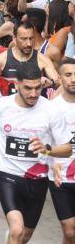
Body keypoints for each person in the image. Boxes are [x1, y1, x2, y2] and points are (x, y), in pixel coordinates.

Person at [0, 63, 72, 244]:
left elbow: (67, 148)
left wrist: (47, 149)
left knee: (24, 236)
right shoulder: (1, 105)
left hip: (38, 181)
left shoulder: (51, 110)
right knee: (17, 229)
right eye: (27, 88)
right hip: (8, 177)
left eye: (37, 88)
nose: (33, 94)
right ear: (17, 84)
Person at [0, 22, 59, 96]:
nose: (29, 44)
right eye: (23, 39)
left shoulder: (42, 59)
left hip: (33, 105)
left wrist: (51, 82)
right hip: (10, 106)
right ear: (14, 38)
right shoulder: (1, 59)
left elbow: (59, 82)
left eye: (31, 38)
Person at [50, 58, 75, 243]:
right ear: (60, 78)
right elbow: (40, 144)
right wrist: (50, 161)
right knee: (69, 231)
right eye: (68, 75)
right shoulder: (50, 109)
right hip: (61, 177)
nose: (73, 79)